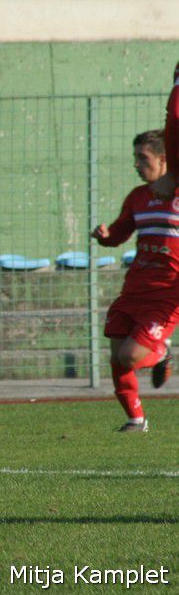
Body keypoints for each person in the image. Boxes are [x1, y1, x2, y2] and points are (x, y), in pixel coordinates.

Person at [91, 129, 174, 433]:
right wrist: (105, 237)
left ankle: (162, 352)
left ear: (165, 159)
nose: (137, 164)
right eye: (135, 157)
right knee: (117, 356)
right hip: (134, 289)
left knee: (128, 356)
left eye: (143, 157)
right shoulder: (138, 198)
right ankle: (135, 419)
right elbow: (119, 233)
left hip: (167, 294)